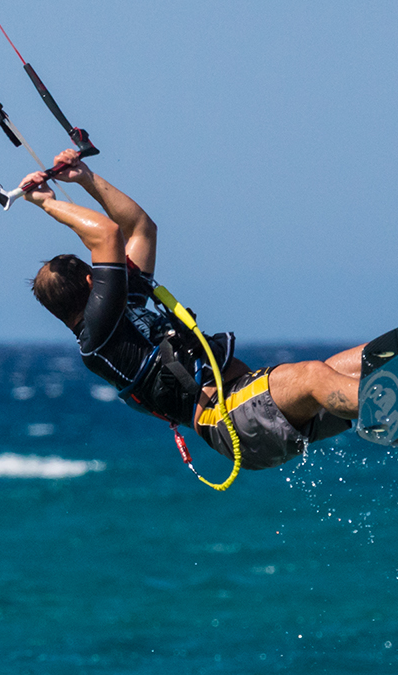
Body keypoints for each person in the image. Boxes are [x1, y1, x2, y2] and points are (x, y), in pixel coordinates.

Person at [21, 150, 361, 473]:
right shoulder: (98, 336)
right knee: (315, 377)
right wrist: (47, 203)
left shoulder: (125, 315)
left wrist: (86, 178)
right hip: (231, 420)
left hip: (251, 406)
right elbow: (107, 235)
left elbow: (140, 228)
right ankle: (385, 405)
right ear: (91, 280)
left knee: (350, 367)